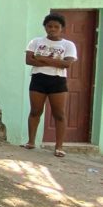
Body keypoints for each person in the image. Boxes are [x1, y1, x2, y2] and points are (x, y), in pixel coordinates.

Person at [23, 13, 77, 158]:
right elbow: (29, 60)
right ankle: (31, 142)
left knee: (59, 114)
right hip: (38, 79)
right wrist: (55, 61)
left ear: (62, 28)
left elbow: (67, 64)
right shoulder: (35, 42)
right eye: (49, 26)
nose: (52, 29)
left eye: (56, 27)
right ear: (45, 27)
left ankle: (59, 147)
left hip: (57, 81)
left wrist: (42, 58)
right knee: (35, 111)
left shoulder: (68, 45)